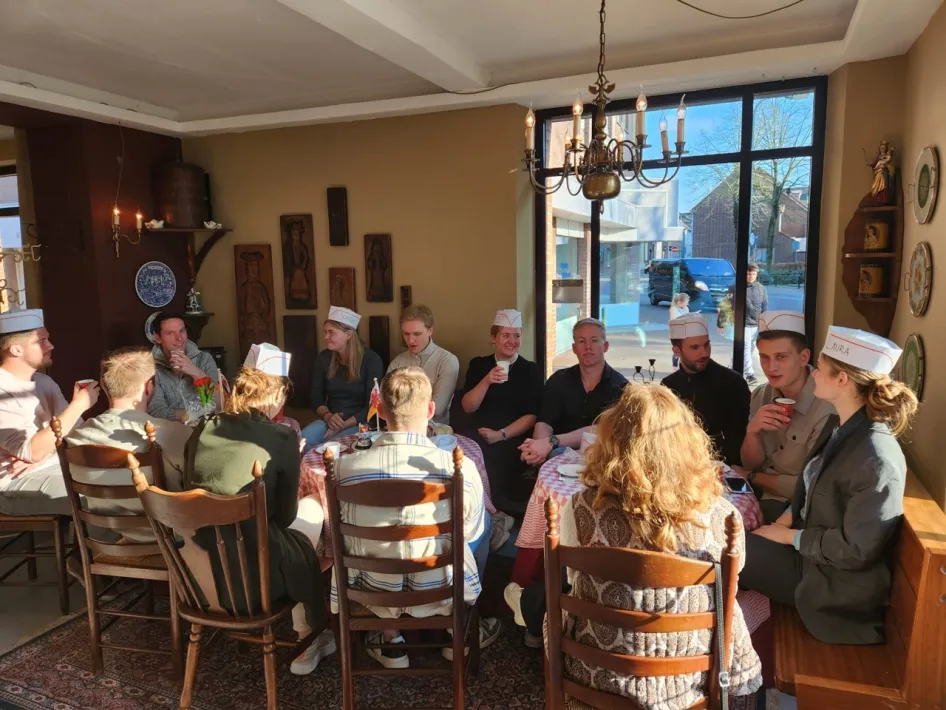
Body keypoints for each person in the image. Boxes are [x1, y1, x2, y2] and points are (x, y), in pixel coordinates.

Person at [506, 385, 762, 707]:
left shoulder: (578, 509)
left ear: (611, 441)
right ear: (688, 443)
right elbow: (730, 589)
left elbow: (572, 576)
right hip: (686, 685)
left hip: (595, 675)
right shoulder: (723, 517)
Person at [741, 326, 918, 645]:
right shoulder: (840, 425)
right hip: (811, 551)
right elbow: (811, 486)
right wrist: (785, 518)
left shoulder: (876, 457)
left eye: (820, 369)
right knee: (730, 522)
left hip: (829, 583)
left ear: (842, 380)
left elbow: (856, 550)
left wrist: (789, 536)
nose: (813, 376)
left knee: (723, 547)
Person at [332, 367, 500, 668]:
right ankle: (455, 629)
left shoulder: (344, 469)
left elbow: (340, 535)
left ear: (380, 409)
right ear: (431, 410)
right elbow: (470, 534)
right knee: (483, 525)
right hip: (439, 587)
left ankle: (390, 637)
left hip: (372, 589)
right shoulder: (457, 468)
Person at [184, 343, 333, 675]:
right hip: (258, 572)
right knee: (313, 511)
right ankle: (309, 630)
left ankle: (310, 626)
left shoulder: (203, 428)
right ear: (278, 396)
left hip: (199, 568)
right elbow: (283, 517)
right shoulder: (281, 437)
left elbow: (187, 492)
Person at [66, 347, 191, 540]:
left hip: (108, 541)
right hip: (173, 545)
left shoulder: (75, 438)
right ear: (149, 387)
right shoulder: (170, 433)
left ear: (105, 386)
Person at [0, 309, 100, 516]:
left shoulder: (44, 382)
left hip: (52, 466)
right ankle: (105, 549)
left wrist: (45, 457)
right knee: (99, 498)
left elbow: (77, 438)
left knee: (120, 482)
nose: (50, 346)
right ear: (16, 350)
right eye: (42, 341)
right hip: (12, 484)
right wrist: (78, 405)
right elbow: (32, 452)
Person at [740, 312, 835, 522]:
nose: (770, 367)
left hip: (796, 509)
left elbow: (812, 486)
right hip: (757, 496)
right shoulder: (761, 395)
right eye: (764, 357)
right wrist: (752, 432)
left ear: (804, 357)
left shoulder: (827, 406)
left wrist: (753, 477)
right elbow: (750, 463)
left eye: (781, 357)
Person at [459, 309, 543, 512]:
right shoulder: (479, 365)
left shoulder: (529, 370)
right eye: (506, 335)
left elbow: (532, 416)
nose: (511, 341)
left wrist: (501, 434)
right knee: (463, 456)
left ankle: (495, 512)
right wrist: (487, 380)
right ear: (493, 338)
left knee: (496, 458)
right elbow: (467, 407)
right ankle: (468, 511)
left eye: (516, 335)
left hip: (512, 436)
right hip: (477, 433)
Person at [519, 318, 627, 465]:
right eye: (582, 341)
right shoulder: (558, 380)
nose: (588, 347)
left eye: (594, 340)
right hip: (557, 456)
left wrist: (551, 442)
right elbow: (544, 422)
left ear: (605, 346)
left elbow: (603, 430)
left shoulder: (621, 387)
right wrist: (538, 448)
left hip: (601, 460)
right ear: (574, 348)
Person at [662, 313, 749, 465]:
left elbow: (742, 436)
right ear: (676, 350)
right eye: (695, 347)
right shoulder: (668, 386)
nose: (704, 352)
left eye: (707, 345)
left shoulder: (732, 382)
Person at [302, 306, 385, 450]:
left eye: (331, 332)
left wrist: (342, 425)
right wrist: (328, 416)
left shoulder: (371, 360)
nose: (326, 337)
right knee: (304, 438)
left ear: (348, 334)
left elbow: (373, 404)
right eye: (325, 332)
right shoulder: (324, 358)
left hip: (360, 421)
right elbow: (316, 396)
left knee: (334, 445)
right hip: (331, 418)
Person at [387, 305, 459, 425]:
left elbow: (437, 408)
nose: (410, 340)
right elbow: (386, 402)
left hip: (435, 432)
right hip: (399, 429)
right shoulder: (398, 362)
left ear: (430, 331)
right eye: (406, 334)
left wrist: (400, 406)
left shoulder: (447, 361)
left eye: (417, 334)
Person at [147, 312, 220, 423]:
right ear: (158, 338)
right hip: (170, 433)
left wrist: (196, 372)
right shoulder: (150, 367)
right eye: (170, 333)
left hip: (207, 429)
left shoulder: (204, 359)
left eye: (182, 331)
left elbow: (218, 403)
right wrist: (195, 414)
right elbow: (156, 411)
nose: (179, 338)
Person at [743, 263, 769, 385]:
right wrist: (721, 323)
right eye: (748, 274)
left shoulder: (761, 289)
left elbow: (765, 306)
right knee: (746, 347)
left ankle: (732, 366)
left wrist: (764, 323)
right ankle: (750, 374)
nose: (750, 276)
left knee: (751, 347)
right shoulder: (736, 287)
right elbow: (727, 306)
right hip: (743, 324)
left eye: (753, 274)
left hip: (756, 324)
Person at [668, 292, 690, 369]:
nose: (687, 304)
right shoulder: (673, 309)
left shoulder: (686, 308)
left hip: (684, 332)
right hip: (676, 333)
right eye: (686, 302)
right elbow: (678, 319)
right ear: (679, 302)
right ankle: (675, 366)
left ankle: (683, 365)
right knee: (677, 349)